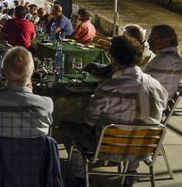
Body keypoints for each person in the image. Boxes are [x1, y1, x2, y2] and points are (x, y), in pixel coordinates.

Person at [60, 36, 167, 187]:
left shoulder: (108, 87)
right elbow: (161, 109)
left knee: (66, 127)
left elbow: (90, 121)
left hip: (107, 148)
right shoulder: (156, 85)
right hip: (144, 149)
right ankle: (131, 172)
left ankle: (79, 177)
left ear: (113, 59)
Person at [145, 25, 182, 101]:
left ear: (166, 40)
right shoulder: (170, 57)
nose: (148, 41)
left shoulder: (166, 60)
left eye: (152, 38)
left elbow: (144, 84)